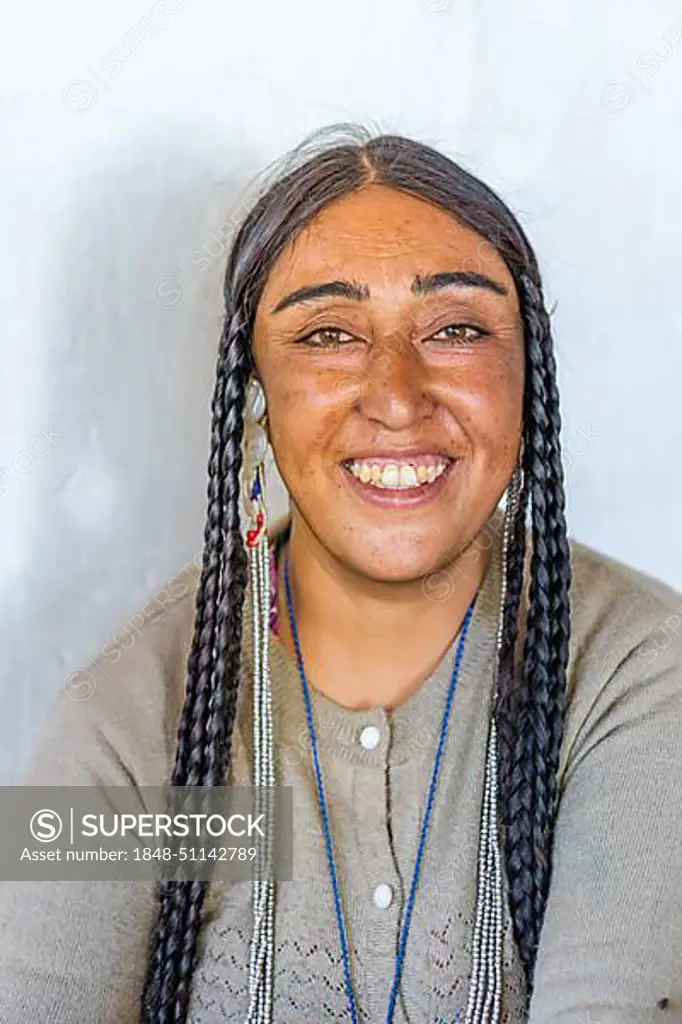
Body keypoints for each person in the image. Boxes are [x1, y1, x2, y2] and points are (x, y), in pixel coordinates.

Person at [0, 124, 680, 1024]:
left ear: (528, 378)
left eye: (457, 329)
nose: (397, 396)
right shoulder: (128, 710)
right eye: (327, 333)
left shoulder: (637, 671)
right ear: (257, 395)